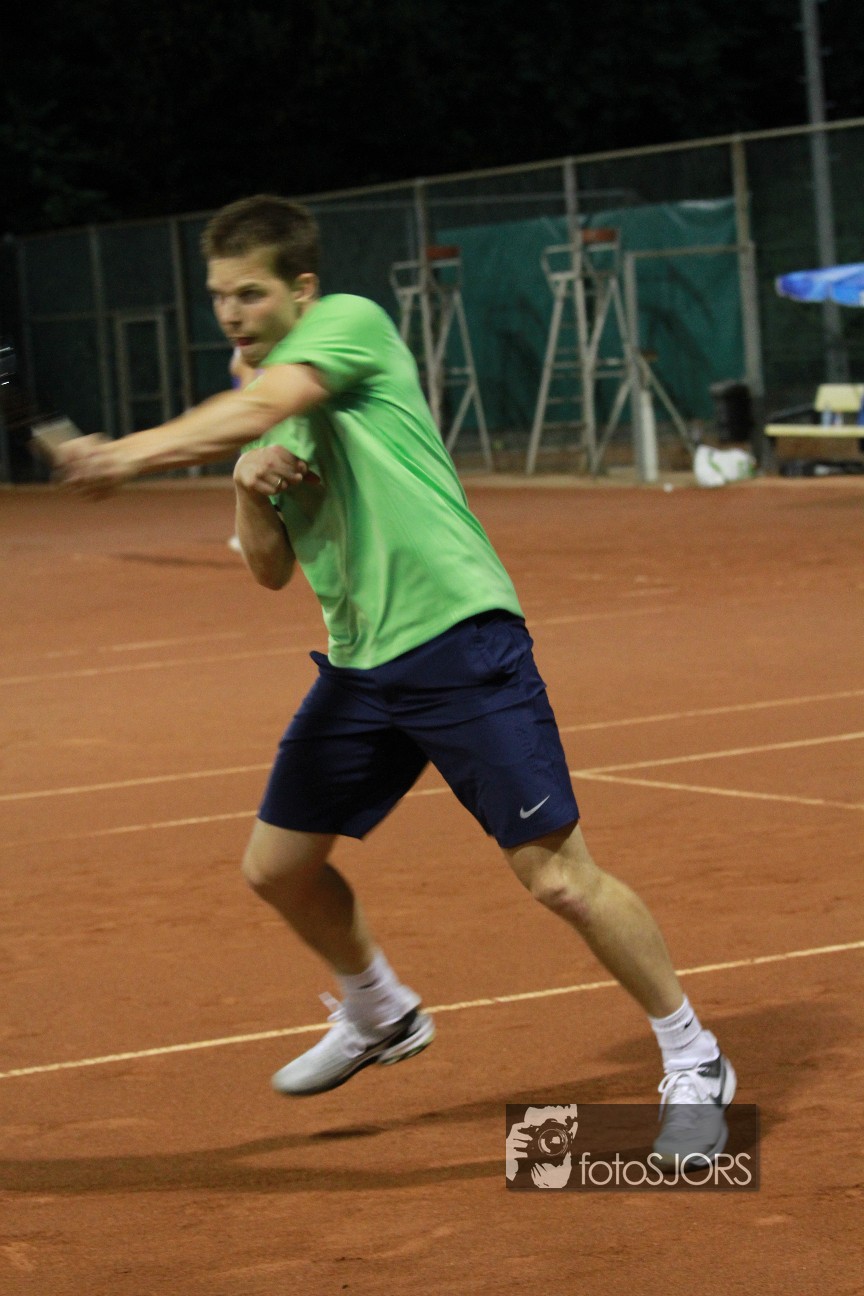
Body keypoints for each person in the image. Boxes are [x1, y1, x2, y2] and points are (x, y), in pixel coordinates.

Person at [56, 194, 735, 1167]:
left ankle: (694, 1055)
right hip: (362, 666)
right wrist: (246, 485)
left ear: (301, 288)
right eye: (218, 297)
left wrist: (124, 454)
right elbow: (269, 569)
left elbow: (263, 405)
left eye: (250, 294)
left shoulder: (349, 327)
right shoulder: (259, 401)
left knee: (559, 879)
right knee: (277, 870)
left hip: (459, 641)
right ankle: (381, 1011)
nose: (232, 314)